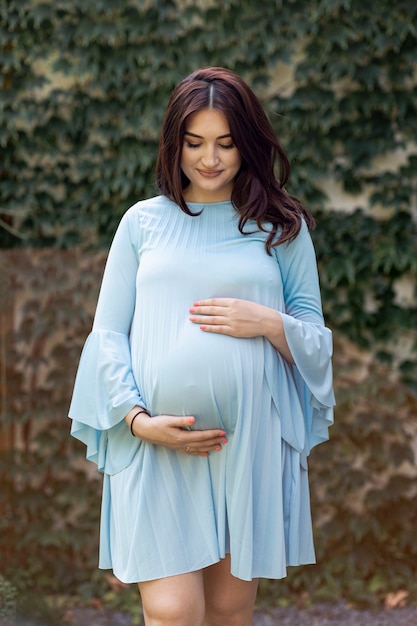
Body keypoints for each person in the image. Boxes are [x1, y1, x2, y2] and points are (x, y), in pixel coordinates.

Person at [69, 66, 335, 626]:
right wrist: (138, 420)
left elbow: (314, 340)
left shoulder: (279, 227)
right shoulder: (143, 223)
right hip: (158, 443)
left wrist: (267, 321)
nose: (209, 159)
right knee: (172, 611)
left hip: (248, 445)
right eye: (194, 143)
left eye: (226, 143)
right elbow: (108, 334)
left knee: (229, 610)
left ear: (248, 144)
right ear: (175, 143)